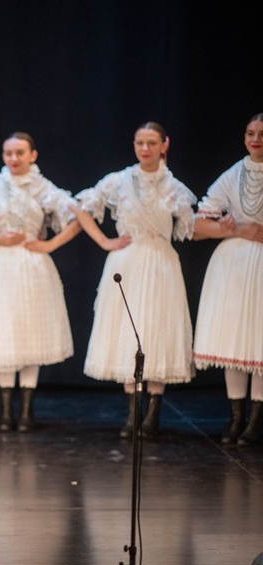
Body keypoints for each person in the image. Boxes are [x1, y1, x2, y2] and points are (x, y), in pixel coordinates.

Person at [0, 131, 107, 432]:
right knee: (3, 331)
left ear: (32, 155)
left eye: (20, 152)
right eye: (8, 153)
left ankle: (26, 411)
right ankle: (6, 410)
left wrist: (51, 244)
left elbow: (79, 213)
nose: (13, 158)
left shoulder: (42, 186)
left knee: (29, 330)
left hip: (32, 264)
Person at [77, 122, 197, 438]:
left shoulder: (174, 187)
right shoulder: (118, 181)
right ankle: (133, 413)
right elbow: (82, 207)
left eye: (152, 143)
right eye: (140, 143)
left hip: (159, 262)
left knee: (157, 329)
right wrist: (104, 241)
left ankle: (153, 413)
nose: (145, 149)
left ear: (164, 145)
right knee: (127, 330)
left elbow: (190, 227)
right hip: (127, 261)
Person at [191, 113, 263, 445]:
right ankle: (236, 417)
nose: (255, 140)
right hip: (233, 265)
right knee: (235, 337)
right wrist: (233, 229)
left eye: (261, 134)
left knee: (258, 338)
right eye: (250, 133)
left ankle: (257, 420)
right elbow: (196, 226)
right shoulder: (233, 175)